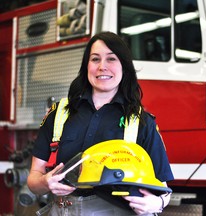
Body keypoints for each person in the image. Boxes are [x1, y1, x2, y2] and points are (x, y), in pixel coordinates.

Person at [27, 31, 174, 216]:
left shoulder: (142, 122)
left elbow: (163, 188)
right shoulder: (58, 113)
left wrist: (156, 204)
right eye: (95, 59)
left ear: (124, 66)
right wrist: (44, 183)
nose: (102, 67)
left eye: (111, 59)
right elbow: (34, 178)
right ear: (86, 65)